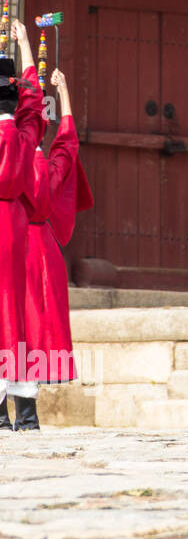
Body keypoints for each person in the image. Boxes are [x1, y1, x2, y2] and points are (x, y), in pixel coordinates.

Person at [11, 69, 90, 431]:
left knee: (10, 326)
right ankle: (27, 415)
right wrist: (66, 92)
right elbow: (69, 143)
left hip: (13, 242)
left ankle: (3, 414)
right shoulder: (49, 162)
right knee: (34, 329)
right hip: (43, 252)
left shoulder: (13, 154)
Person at [0, 28, 57, 430]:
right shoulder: (23, 134)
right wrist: (25, 52)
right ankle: (27, 411)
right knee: (17, 312)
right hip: (17, 226)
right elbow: (34, 107)